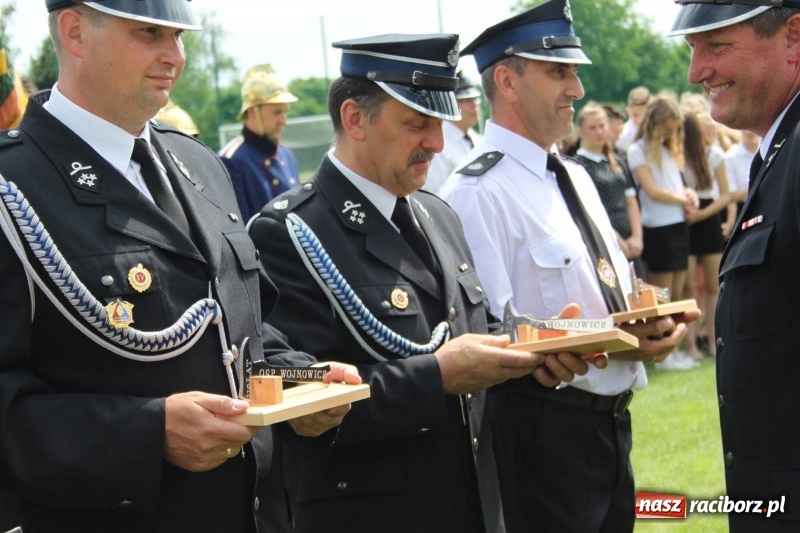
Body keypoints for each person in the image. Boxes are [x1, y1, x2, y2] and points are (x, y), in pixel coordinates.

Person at [0, 2, 359, 532]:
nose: (175, 56)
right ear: (75, 33)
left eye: (179, 37)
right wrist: (146, 435)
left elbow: (237, 329)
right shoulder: (14, 185)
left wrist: (299, 380)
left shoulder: (197, 163)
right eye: (150, 33)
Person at [247, 32, 587, 533]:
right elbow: (297, 396)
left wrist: (536, 347)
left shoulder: (436, 214)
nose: (437, 143)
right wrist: (437, 377)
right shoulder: (289, 231)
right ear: (354, 119)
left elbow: (468, 329)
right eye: (416, 124)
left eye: (439, 123)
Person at [439, 2, 698, 531]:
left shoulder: (573, 174)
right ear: (507, 82)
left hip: (609, 425)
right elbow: (491, 332)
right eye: (558, 72)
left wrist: (648, 321)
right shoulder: (475, 191)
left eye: (574, 73)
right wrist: (596, 341)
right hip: (544, 433)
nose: (576, 89)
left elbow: (607, 286)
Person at [670, 2, 800, 530]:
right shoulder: (781, 148)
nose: (696, 72)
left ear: (794, 36)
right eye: (692, 49)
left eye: (717, 46)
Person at [572, 102, 645, 279]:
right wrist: (616, 241)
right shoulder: (576, 165)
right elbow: (587, 211)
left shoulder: (617, 162)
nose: (599, 132)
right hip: (603, 244)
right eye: (592, 128)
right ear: (581, 131)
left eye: (602, 126)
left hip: (631, 244)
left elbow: (631, 201)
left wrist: (637, 237)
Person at [680, 112, 732, 360]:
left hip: (708, 217)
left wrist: (702, 214)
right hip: (687, 217)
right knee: (690, 287)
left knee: (713, 285)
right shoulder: (679, 155)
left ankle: (713, 341)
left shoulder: (716, 155)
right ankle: (691, 343)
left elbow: (725, 194)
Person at [219, 63, 300, 223]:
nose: (283, 121)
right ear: (252, 112)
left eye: (285, 112)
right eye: (277, 112)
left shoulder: (286, 155)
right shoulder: (230, 160)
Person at [425, 70, 483, 194]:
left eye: (475, 99)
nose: (474, 105)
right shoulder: (438, 144)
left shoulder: (479, 139)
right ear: (451, 104)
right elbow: (437, 192)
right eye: (467, 100)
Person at [725, 128, 760, 218]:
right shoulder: (731, 157)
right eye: (746, 128)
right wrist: (758, 185)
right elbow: (729, 195)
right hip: (742, 208)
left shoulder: (768, 151)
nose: (749, 132)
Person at [616, 85, 651, 151]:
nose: (640, 120)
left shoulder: (658, 132)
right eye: (635, 115)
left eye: (645, 116)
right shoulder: (622, 136)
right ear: (628, 110)